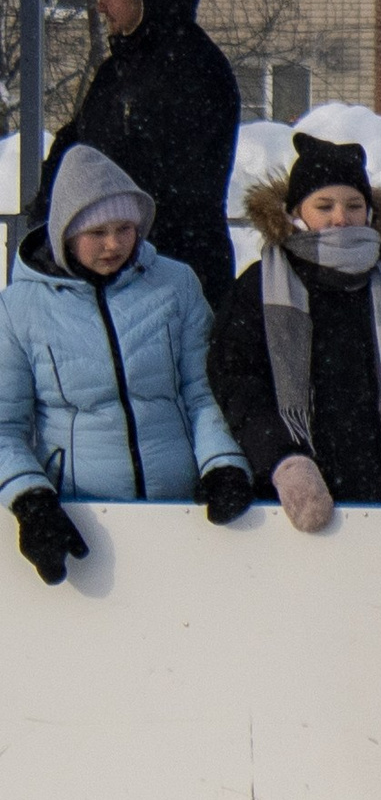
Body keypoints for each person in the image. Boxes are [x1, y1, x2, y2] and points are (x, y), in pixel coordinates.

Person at [0, 144, 252, 584]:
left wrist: (222, 463)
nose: (114, 244)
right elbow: (4, 426)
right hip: (83, 516)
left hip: (183, 510)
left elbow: (204, 391)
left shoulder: (176, 285)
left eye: (125, 228)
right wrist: (31, 500)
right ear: (65, 235)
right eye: (96, 232)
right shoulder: (18, 308)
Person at [212, 133, 381, 530]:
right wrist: (285, 460)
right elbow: (238, 386)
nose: (340, 218)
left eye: (353, 205)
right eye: (324, 206)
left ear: (370, 212)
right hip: (283, 500)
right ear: (296, 212)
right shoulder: (260, 287)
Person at [32, 0, 242, 310]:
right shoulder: (121, 69)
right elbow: (78, 148)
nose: (99, 4)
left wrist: (111, 239)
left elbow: (174, 187)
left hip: (169, 280)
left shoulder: (195, 72)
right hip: (116, 271)